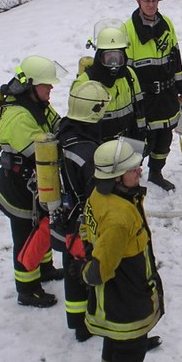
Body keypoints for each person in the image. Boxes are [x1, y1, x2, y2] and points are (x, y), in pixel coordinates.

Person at [82, 138, 163, 362]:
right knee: (130, 347)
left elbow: (87, 230)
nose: (139, 171)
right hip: (125, 291)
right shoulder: (118, 217)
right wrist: (88, 271)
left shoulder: (101, 195)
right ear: (116, 177)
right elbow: (100, 269)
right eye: (132, 169)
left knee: (115, 338)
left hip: (119, 292)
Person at [0, 55, 67, 308]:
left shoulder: (38, 105)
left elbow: (58, 126)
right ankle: (27, 289)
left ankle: (44, 269)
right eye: (47, 84)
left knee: (41, 226)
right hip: (18, 189)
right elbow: (44, 150)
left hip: (35, 185)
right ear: (31, 86)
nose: (51, 87)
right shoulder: (18, 117)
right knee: (25, 236)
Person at [54, 80, 111, 341]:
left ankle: (77, 322)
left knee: (72, 268)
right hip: (84, 223)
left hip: (65, 217)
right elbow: (98, 193)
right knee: (89, 269)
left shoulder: (63, 130)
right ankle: (94, 320)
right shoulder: (88, 154)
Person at [123, 0, 182, 191]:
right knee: (140, 139)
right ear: (138, 2)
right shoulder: (128, 30)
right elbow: (126, 71)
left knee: (165, 136)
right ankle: (129, 176)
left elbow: (175, 58)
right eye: (146, 1)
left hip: (167, 95)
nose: (151, 5)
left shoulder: (166, 24)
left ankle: (156, 172)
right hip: (144, 98)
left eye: (154, 1)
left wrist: (181, 87)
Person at [74, 23, 146, 145]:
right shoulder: (84, 82)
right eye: (108, 56)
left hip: (126, 144)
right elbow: (78, 126)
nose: (114, 62)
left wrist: (141, 135)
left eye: (118, 56)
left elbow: (139, 108)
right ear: (99, 56)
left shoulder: (129, 75)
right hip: (99, 147)